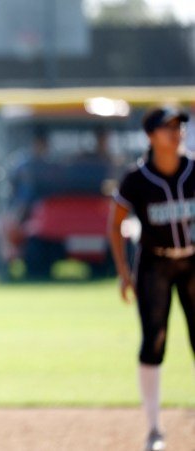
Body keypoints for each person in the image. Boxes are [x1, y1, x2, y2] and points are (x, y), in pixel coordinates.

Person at [108, 106, 195, 451]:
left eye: (180, 126)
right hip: (154, 265)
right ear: (150, 136)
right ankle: (155, 429)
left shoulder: (193, 169)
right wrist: (123, 272)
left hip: (192, 260)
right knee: (154, 341)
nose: (176, 133)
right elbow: (115, 225)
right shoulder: (137, 178)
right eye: (168, 127)